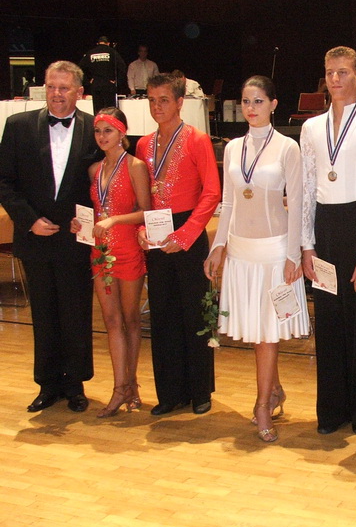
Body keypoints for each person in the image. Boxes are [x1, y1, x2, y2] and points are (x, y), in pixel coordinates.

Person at [204, 76, 309, 443]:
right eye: (246, 101)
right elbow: (228, 201)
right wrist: (218, 245)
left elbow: (298, 203)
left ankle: (263, 404)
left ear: (274, 104)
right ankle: (274, 390)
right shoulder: (233, 148)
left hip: (274, 252)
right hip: (240, 251)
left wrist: (293, 253)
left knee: (267, 334)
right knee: (256, 332)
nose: (251, 108)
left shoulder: (288, 148)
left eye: (259, 101)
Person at [300, 46, 356, 436]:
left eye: (342, 72)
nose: (335, 79)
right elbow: (306, 188)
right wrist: (307, 245)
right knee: (328, 322)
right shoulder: (310, 128)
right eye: (330, 73)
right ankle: (331, 411)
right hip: (324, 227)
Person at [0, 60, 101, 413]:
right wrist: (29, 221)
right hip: (36, 236)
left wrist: (90, 222)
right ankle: (47, 384)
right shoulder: (18, 126)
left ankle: (75, 385)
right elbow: (4, 181)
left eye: (64, 88)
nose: (56, 94)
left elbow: (107, 184)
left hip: (76, 238)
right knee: (43, 314)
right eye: (51, 87)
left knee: (76, 313)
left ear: (79, 92)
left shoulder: (96, 129)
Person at [136, 73, 221, 416]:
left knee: (194, 313)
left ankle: (199, 391)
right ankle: (170, 393)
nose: (157, 106)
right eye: (152, 100)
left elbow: (212, 193)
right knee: (163, 314)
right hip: (157, 234)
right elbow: (142, 198)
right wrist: (141, 229)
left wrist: (185, 235)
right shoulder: (143, 144)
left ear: (179, 102)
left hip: (188, 232)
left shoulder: (197, 139)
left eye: (164, 100)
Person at [69, 107, 151, 417]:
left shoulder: (135, 166)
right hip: (100, 251)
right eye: (98, 131)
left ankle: (131, 383)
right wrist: (79, 223)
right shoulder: (94, 170)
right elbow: (93, 210)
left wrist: (115, 220)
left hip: (128, 248)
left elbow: (146, 211)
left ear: (122, 133)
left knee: (130, 320)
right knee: (111, 321)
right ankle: (120, 388)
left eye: (108, 130)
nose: (102, 136)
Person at [78, 36, 126, 113]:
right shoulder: (112, 52)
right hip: (109, 85)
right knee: (110, 111)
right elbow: (122, 67)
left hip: (96, 85)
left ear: (97, 43)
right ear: (108, 43)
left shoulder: (91, 53)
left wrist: (88, 82)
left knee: (98, 111)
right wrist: (117, 82)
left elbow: (79, 68)